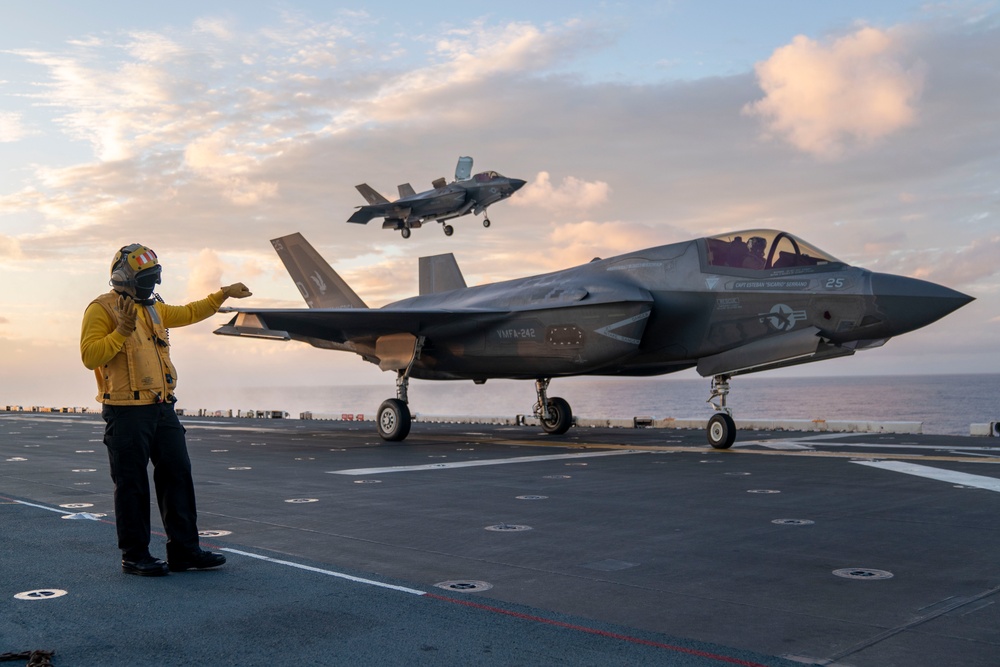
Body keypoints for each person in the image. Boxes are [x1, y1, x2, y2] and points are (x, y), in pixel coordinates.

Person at [80, 243, 252, 576]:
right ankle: (135, 556)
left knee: (178, 474)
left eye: (154, 277)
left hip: (162, 407)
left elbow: (188, 312)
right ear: (125, 278)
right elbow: (90, 356)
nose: (152, 284)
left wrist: (222, 294)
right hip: (126, 411)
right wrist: (121, 331)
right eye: (146, 278)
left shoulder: (153, 308)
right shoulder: (101, 309)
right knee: (131, 484)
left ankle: (184, 551)